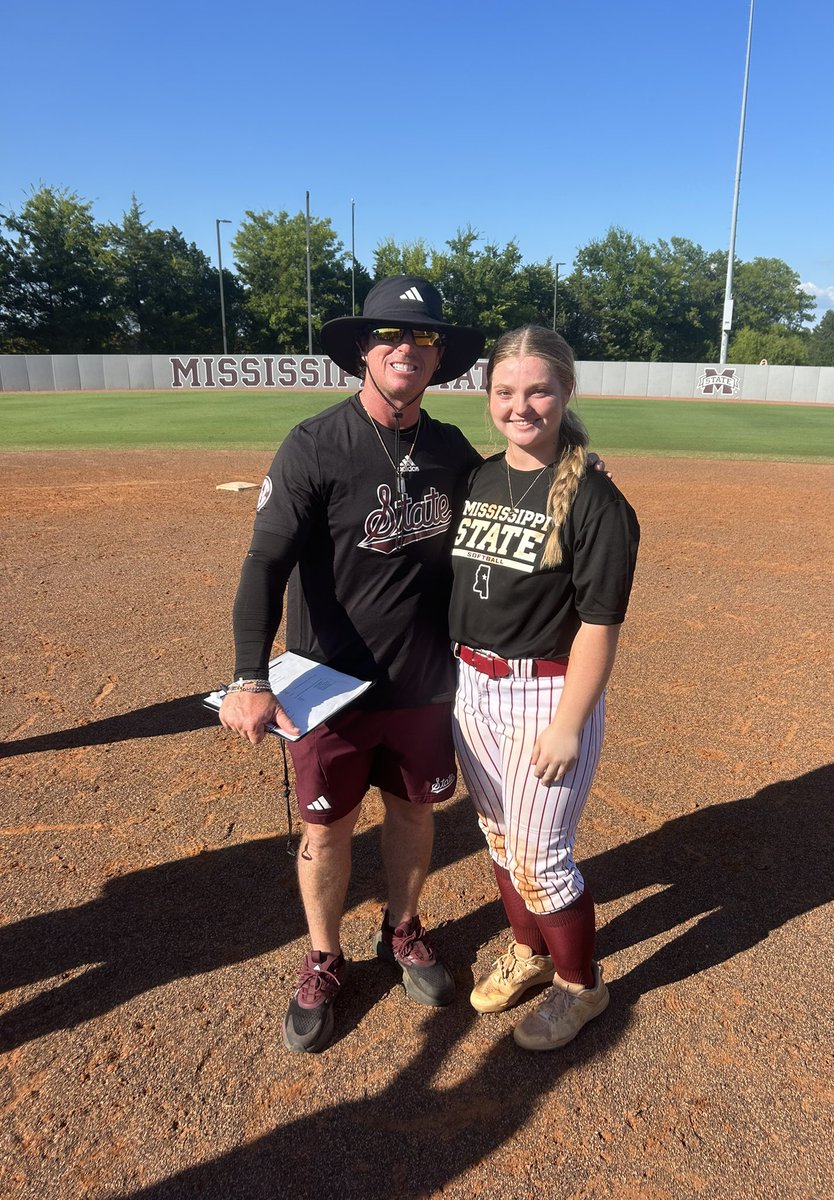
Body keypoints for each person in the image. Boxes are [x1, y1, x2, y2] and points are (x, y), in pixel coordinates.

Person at [219, 275, 485, 1054]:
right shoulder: (315, 444)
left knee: (414, 812)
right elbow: (264, 563)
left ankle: (403, 930)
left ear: (438, 359)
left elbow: (514, 503)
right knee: (325, 828)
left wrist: (577, 472)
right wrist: (247, 676)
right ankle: (325, 955)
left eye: (424, 338)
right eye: (390, 336)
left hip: (423, 683)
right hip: (327, 685)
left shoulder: (449, 451)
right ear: (364, 350)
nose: (407, 348)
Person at [448, 324, 640, 1052]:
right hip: (473, 687)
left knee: (542, 860)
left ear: (565, 393)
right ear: (487, 395)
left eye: (538, 390)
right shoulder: (480, 475)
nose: (520, 405)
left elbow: (598, 625)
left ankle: (580, 988)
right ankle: (529, 955)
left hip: (543, 697)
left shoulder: (597, 501)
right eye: (506, 391)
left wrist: (569, 723)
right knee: (498, 839)